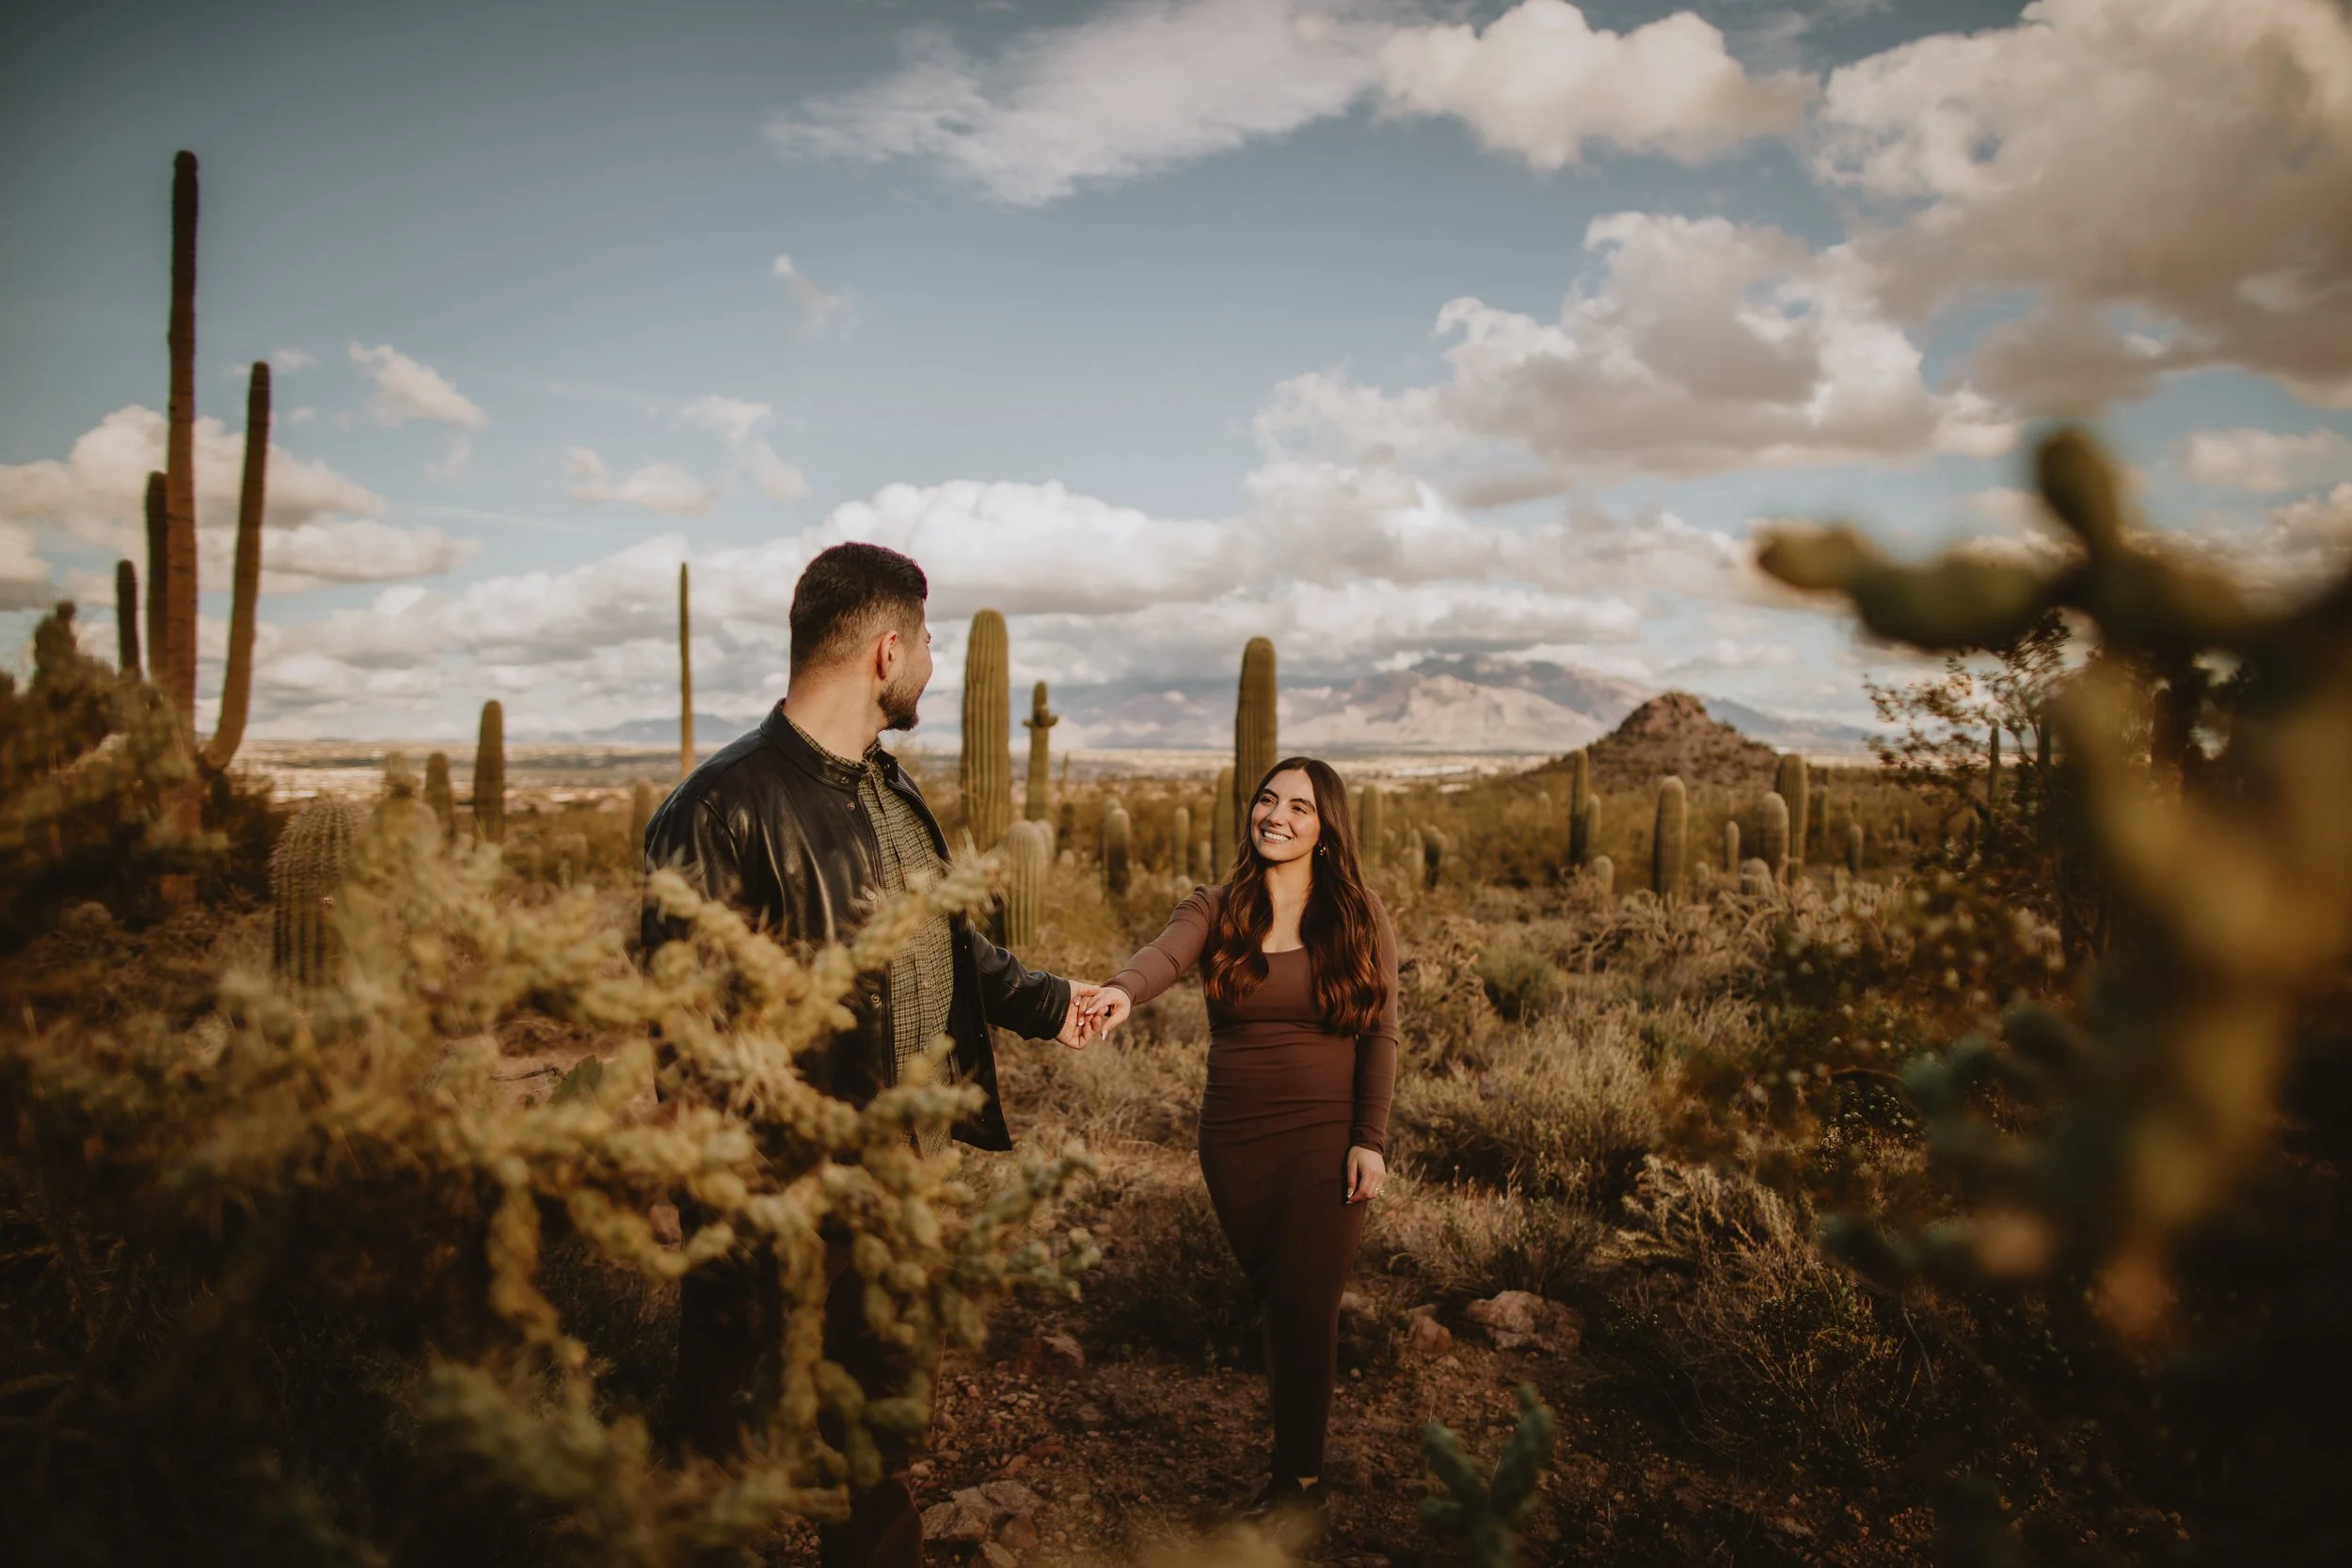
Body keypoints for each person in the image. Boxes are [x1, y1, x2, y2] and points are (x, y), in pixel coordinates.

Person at [639, 541, 1103, 1568]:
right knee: (719, 1437)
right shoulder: (719, 806)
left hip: (898, 1178)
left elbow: (944, 943)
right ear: (887, 652)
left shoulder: (886, 794)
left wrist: (1052, 1003)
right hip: (783, 1193)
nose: (936, 661)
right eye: (929, 641)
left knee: (877, 1437)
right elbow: (687, 1030)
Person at [1078, 756, 1398, 1525]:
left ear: (1327, 829)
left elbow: (1381, 1033)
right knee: (1279, 1303)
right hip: (1235, 1141)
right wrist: (1120, 990)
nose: (1277, 815)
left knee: (1304, 1303)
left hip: (1325, 1142)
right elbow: (1163, 955)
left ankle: (1300, 1489)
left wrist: (1370, 1137)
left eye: (1299, 805)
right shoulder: (1216, 906)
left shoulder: (1358, 914)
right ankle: (1293, 1467)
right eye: (1267, 799)